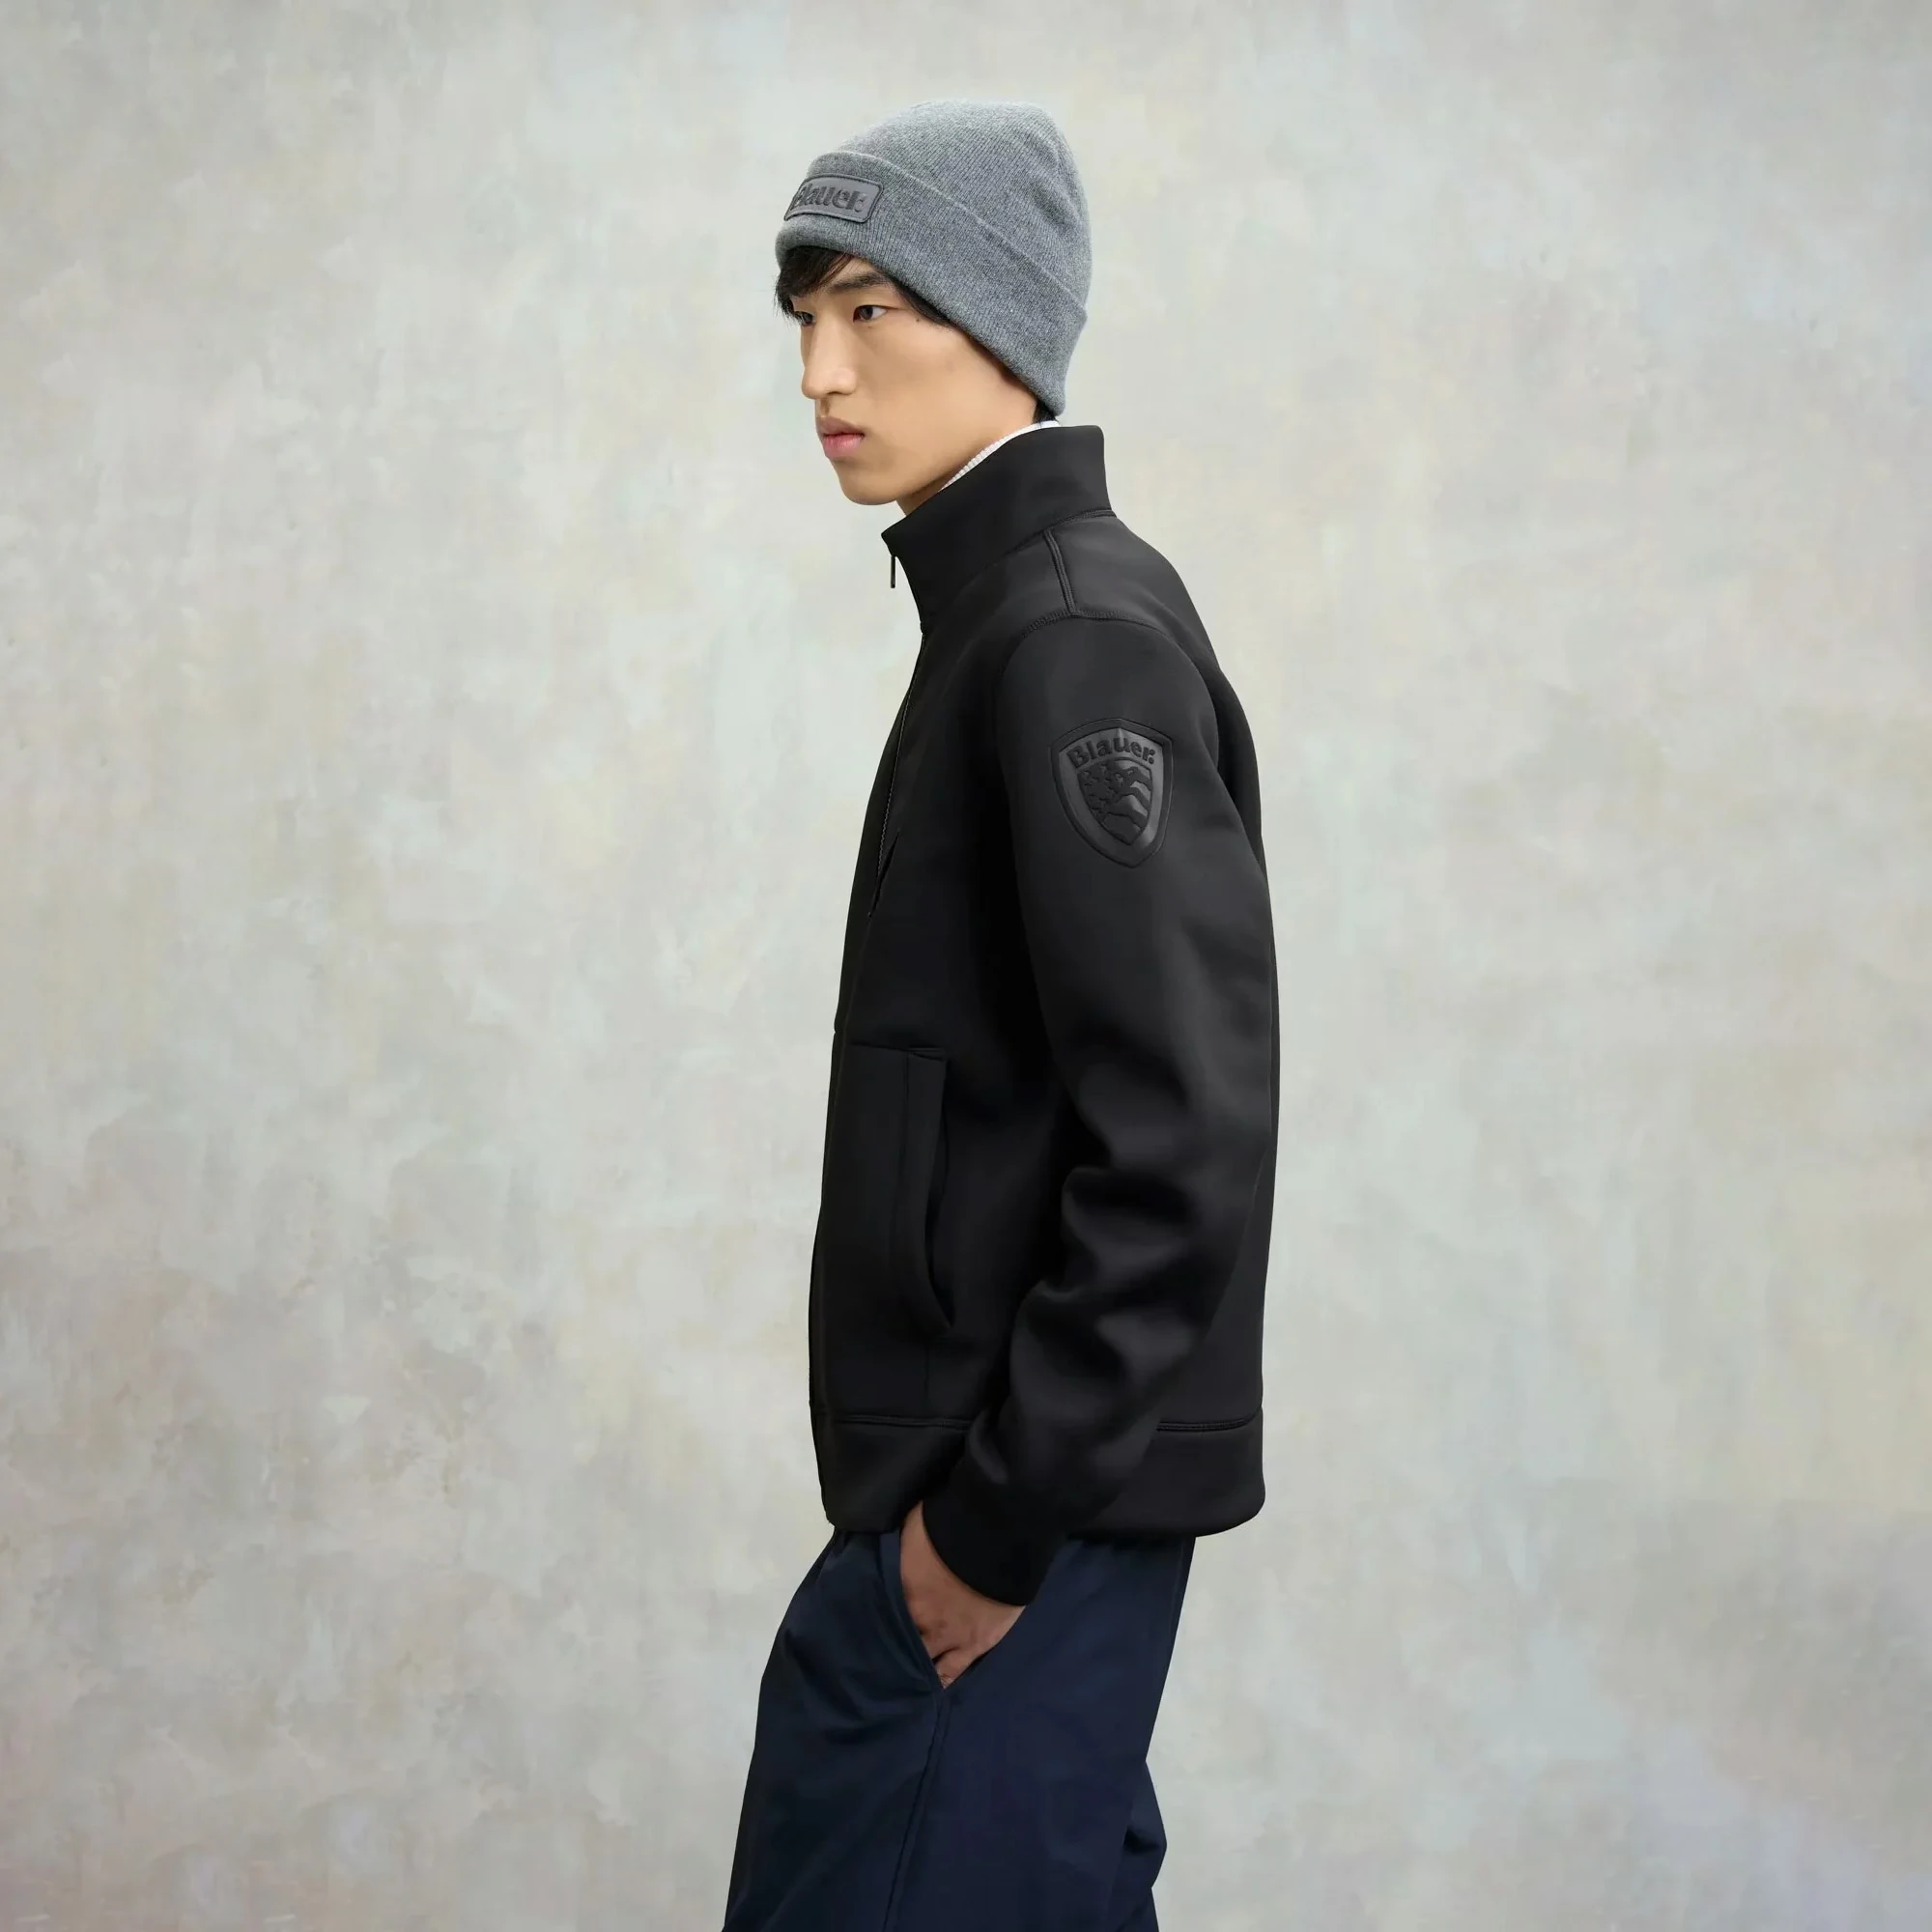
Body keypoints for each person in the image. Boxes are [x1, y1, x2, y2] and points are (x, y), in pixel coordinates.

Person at [722, 98, 1280, 1932]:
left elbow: (1183, 1133)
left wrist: (988, 1528)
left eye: (872, 311)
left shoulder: (1068, 639)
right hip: (999, 1495)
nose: (822, 371)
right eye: (806, 318)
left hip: (1012, 1511)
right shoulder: (1007, 621)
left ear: (1005, 323)